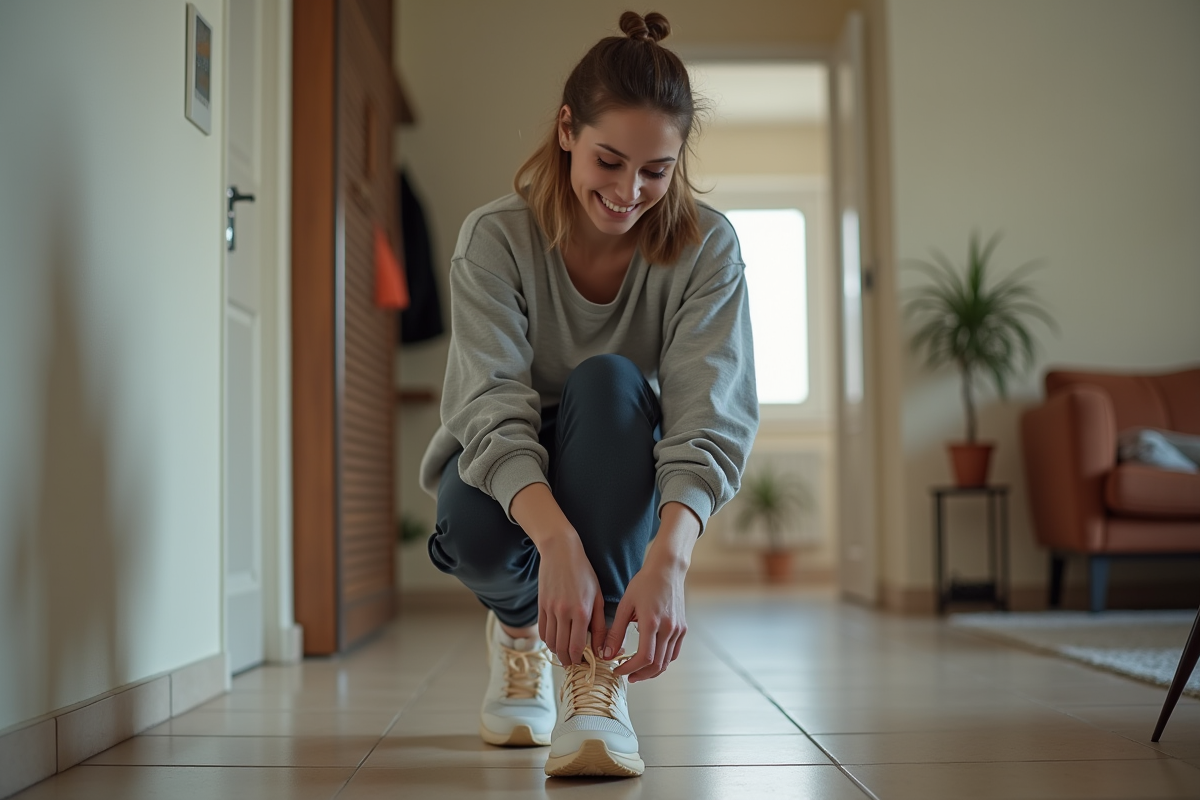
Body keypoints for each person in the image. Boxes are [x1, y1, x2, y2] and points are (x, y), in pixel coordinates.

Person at [417, 10, 758, 779]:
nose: (629, 192)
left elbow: (711, 409)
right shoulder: (494, 240)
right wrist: (558, 542)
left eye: (655, 170)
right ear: (567, 129)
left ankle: (593, 680)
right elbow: (489, 407)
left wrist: (670, 558)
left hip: (618, 448)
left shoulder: (708, 247)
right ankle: (518, 634)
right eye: (609, 160)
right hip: (511, 463)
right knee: (469, 528)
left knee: (609, 378)